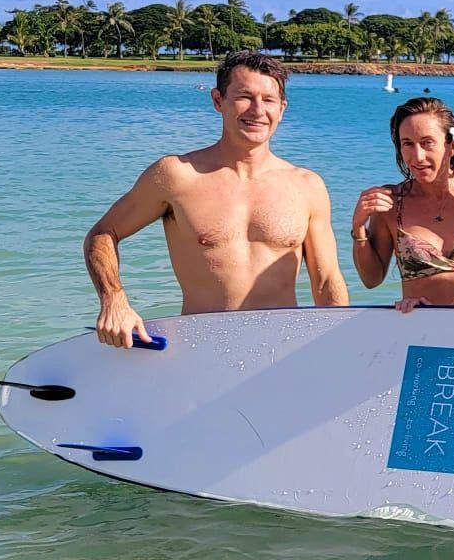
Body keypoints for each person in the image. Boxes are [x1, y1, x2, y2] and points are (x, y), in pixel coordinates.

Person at [84, 51, 349, 346]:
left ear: (282, 108)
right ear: (218, 100)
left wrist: (341, 347)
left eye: (269, 100)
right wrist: (114, 301)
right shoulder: (176, 175)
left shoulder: (307, 186)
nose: (258, 110)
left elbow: (326, 283)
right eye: (244, 96)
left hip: (282, 349)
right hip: (202, 348)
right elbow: (103, 234)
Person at [351, 97, 454, 305]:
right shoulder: (392, 202)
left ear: (453, 145)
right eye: (407, 144)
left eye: (427, 143)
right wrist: (358, 228)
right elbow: (371, 280)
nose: (417, 156)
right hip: (417, 328)